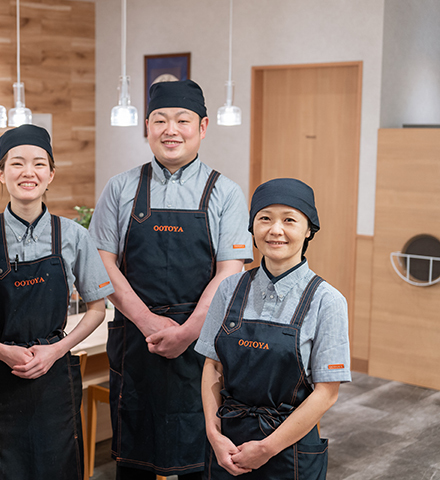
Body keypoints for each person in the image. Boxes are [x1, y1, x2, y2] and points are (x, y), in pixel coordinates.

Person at [89, 79, 253, 479]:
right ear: (147, 127)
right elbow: (102, 264)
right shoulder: (120, 187)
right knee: (133, 459)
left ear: (203, 126)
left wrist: (188, 332)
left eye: (182, 120)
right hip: (135, 341)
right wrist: (147, 321)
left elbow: (229, 273)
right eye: (160, 120)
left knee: (200, 453)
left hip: (200, 347)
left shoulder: (226, 193)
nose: (170, 130)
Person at [0, 124, 114, 480]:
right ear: (1, 172)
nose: (29, 172)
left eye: (39, 164)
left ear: (51, 174)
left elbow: (96, 310)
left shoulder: (74, 234)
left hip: (54, 376)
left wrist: (56, 350)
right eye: (17, 164)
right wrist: (2, 351)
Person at [196, 178, 352, 479]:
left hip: (288, 449)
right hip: (227, 443)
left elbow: (327, 393)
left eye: (289, 220)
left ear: (309, 231)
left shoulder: (327, 301)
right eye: (264, 218)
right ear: (253, 227)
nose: (275, 230)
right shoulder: (229, 289)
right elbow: (212, 366)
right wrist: (214, 434)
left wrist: (266, 449)